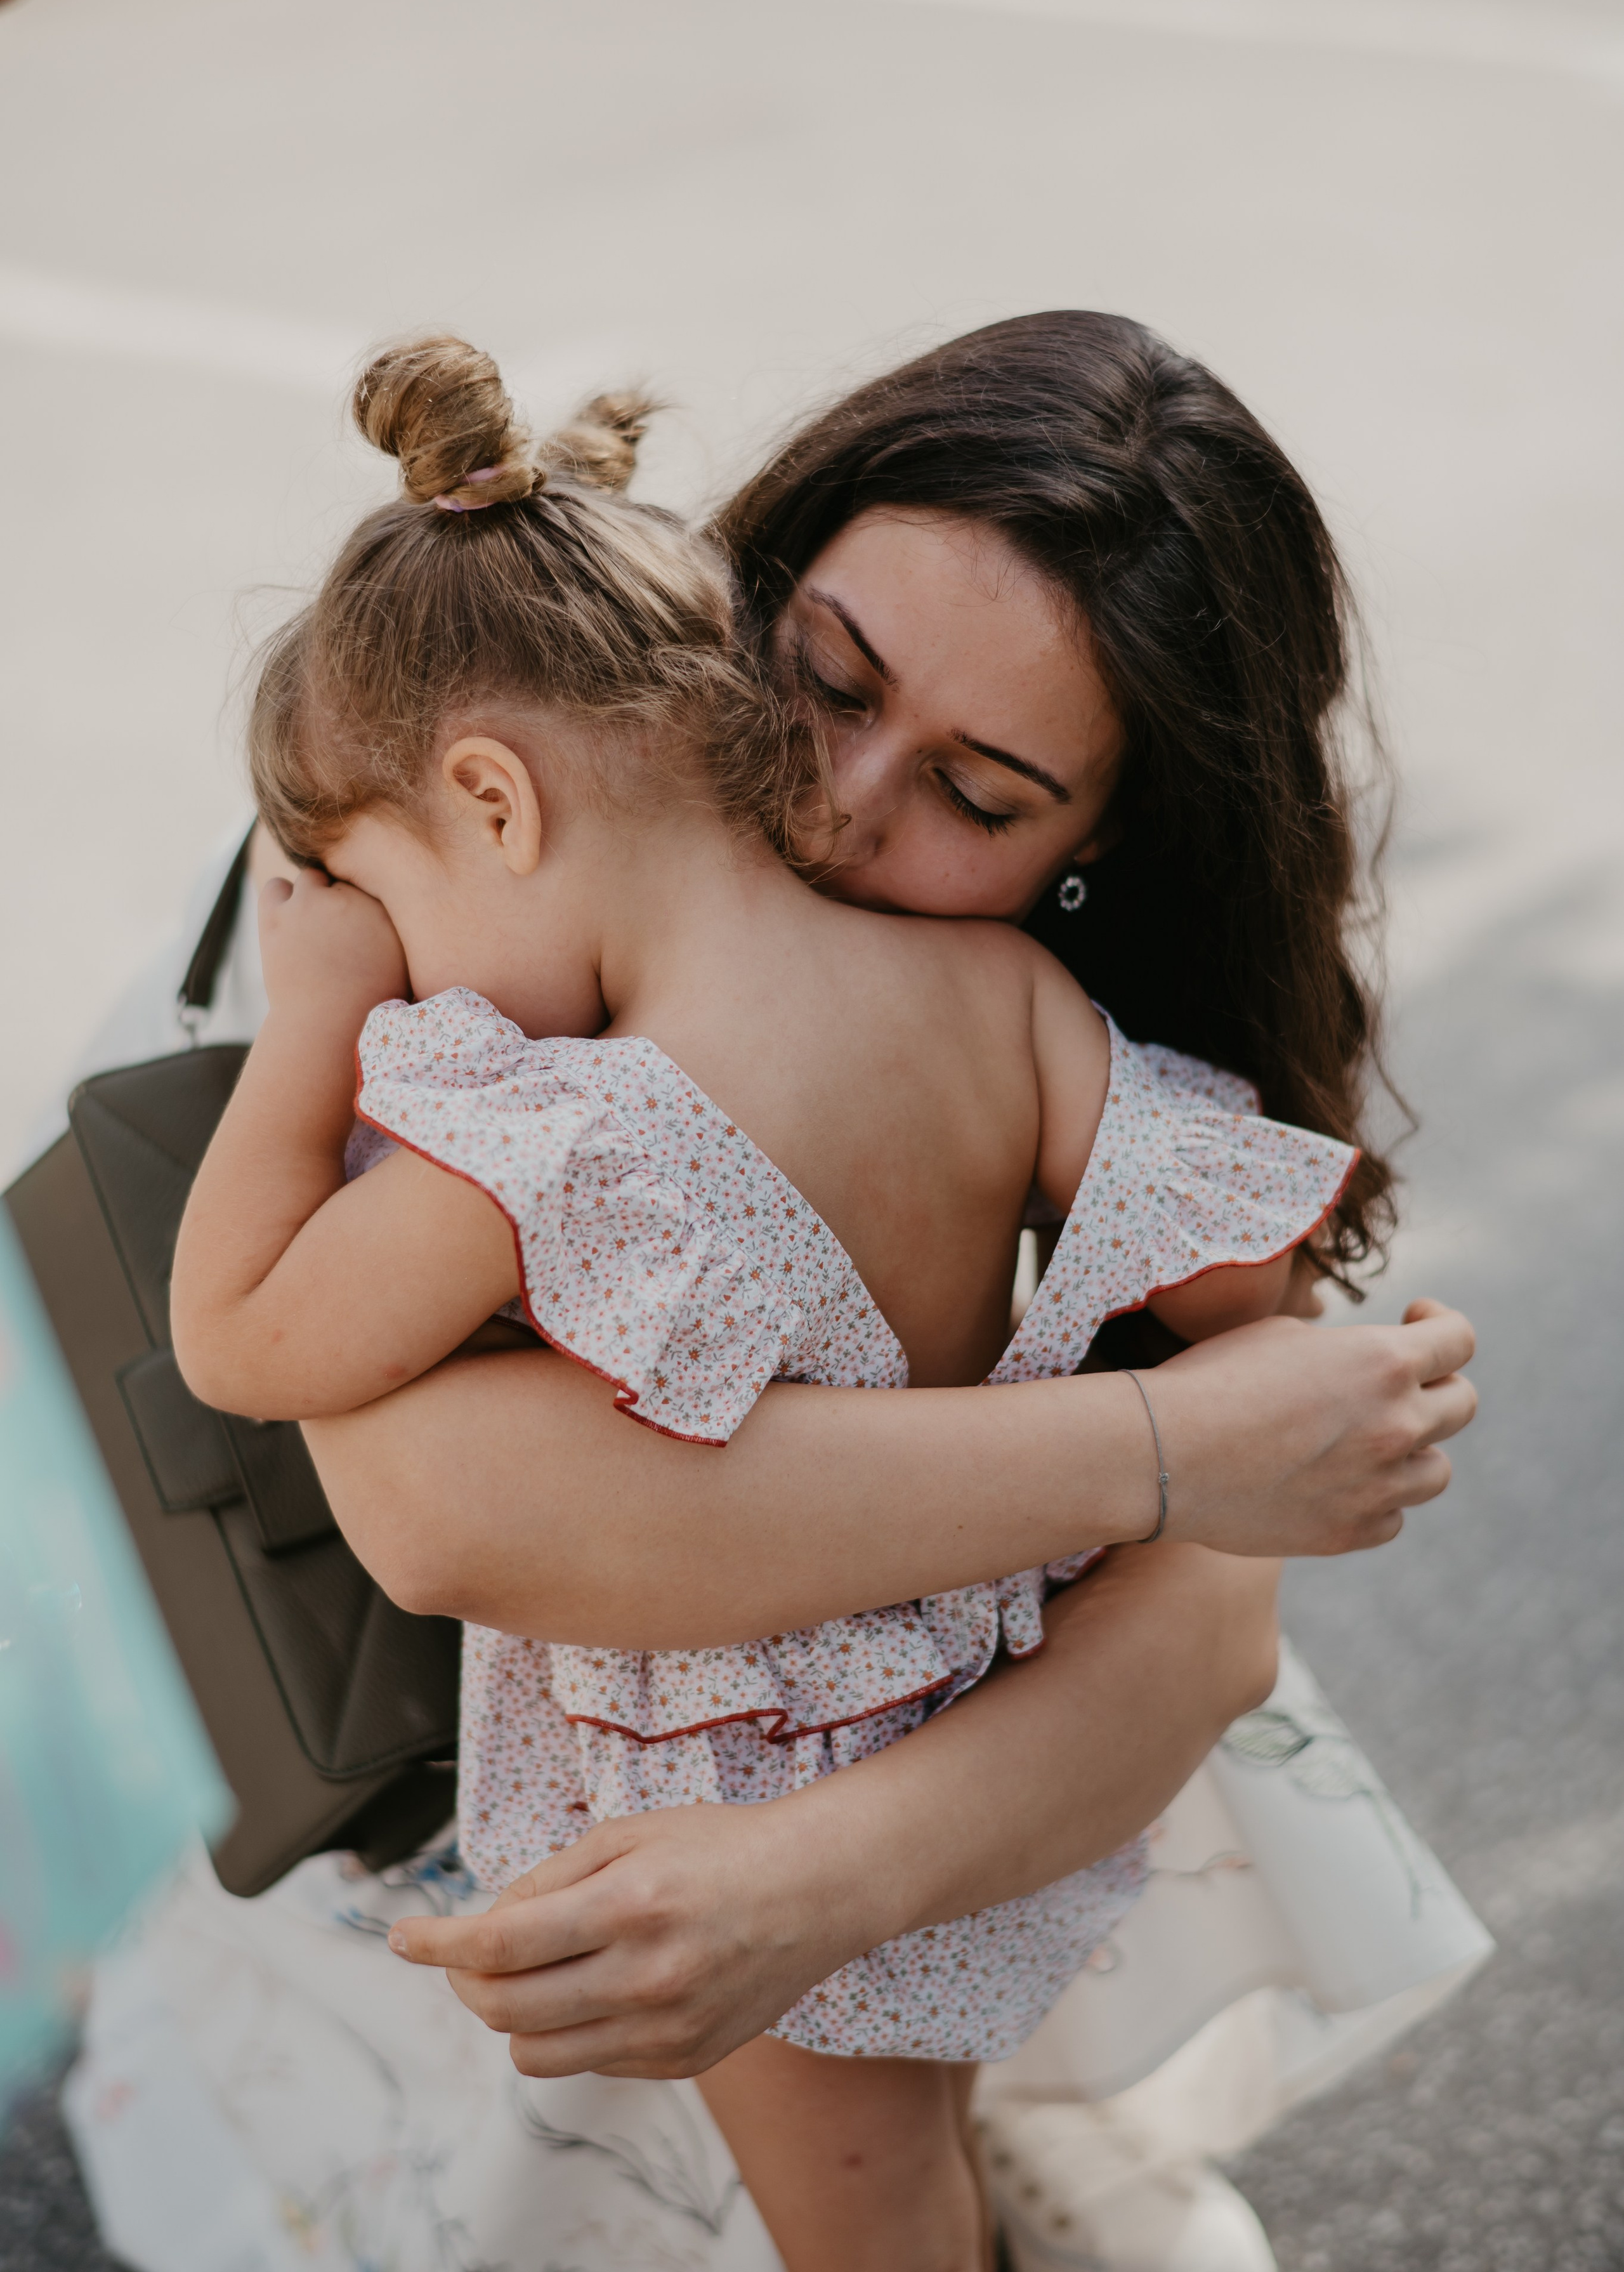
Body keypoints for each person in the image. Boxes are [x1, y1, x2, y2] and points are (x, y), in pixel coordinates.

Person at [58, 314, 1477, 2272]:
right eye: (818, 679)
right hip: (489, 1792)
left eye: (980, 799)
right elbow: (446, 1513)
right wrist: (1179, 1435)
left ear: (1100, 849)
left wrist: (818, 1877)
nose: (834, 810)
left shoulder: (659, 1066)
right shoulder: (425, 857)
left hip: (765, 1760)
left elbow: (1222, 1605)